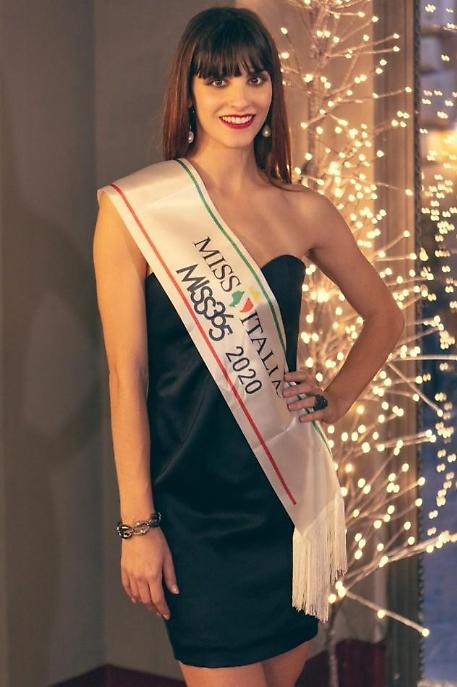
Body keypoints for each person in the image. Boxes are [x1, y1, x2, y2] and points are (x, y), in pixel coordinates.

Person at [92, 6, 405, 687]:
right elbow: (126, 375)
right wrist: (137, 525)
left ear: (272, 89)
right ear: (189, 91)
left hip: (285, 499)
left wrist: (335, 398)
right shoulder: (135, 210)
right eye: (218, 80)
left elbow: (385, 316)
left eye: (255, 78)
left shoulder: (304, 210)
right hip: (190, 509)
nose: (239, 98)